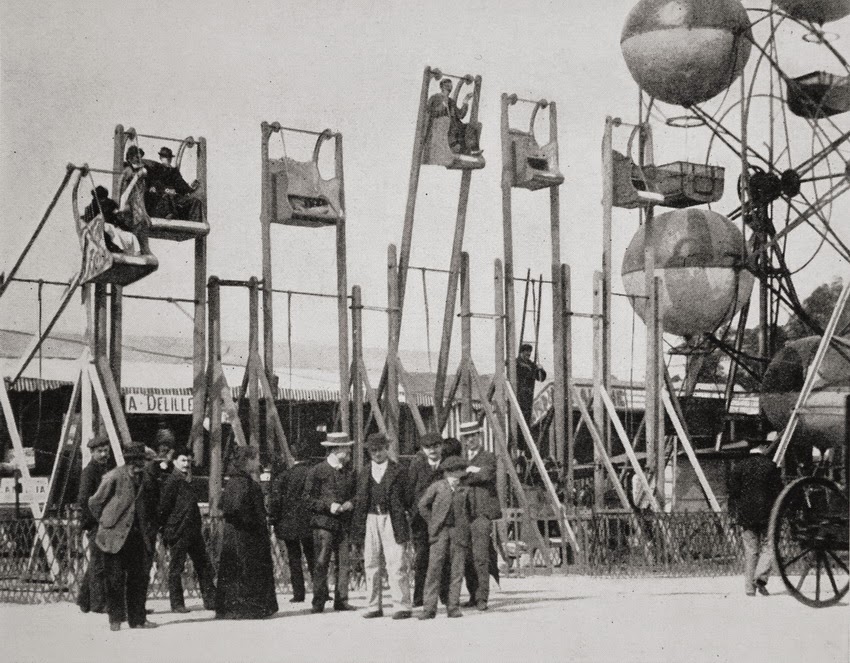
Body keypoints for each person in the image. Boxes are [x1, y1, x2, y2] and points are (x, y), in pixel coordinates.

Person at [88, 442, 158, 631]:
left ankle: (138, 620)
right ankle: (115, 619)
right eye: (134, 462)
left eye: (141, 462)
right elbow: (94, 502)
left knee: (139, 579)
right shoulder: (113, 477)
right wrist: (106, 522)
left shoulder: (146, 478)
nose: (138, 466)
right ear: (127, 462)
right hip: (114, 536)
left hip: (137, 537)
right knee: (114, 580)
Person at [352, 433, 412, 620]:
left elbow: (408, 498)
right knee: (371, 563)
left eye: (381, 449)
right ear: (369, 452)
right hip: (370, 519)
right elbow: (360, 499)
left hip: (392, 519)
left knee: (396, 563)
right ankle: (373, 606)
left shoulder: (399, 471)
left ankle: (402, 606)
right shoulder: (363, 472)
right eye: (373, 450)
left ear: (387, 449)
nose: (377, 453)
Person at [215, 446, 278, 619]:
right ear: (248, 460)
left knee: (234, 570)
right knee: (246, 571)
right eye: (256, 458)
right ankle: (247, 608)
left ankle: (231, 607)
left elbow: (226, 507)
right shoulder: (245, 483)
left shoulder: (234, 481)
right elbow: (239, 509)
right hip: (247, 537)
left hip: (236, 535)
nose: (258, 463)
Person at [304, 431, 357, 614]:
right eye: (346, 449)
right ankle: (318, 601)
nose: (349, 453)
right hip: (323, 525)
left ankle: (341, 600)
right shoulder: (317, 471)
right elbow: (307, 499)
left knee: (344, 563)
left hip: (343, 524)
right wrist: (328, 505)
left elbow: (356, 494)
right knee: (321, 563)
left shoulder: (349, 472)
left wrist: (352, 503)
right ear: (335, 450)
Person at [158, 448, 215, 613]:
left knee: (203, 565)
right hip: (179, 531)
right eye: (183, 460)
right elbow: (163, 508)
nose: (186, 464)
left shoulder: (186, 480)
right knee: (176, 567)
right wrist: (168, 528)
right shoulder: (172, 482)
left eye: (189, 461)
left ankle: (211, 600)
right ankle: (177, 604)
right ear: (175, 461)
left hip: (193, 531)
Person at [417, 456, 473, 619]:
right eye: (453, 473)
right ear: (447, 473)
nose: (457, 477)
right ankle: (429, 608)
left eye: (460, 473)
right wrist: (432, 521)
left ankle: (453, 606)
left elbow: (470, 510)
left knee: (457, 570)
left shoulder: (465, 489)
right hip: (440, 532)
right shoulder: (437, 487)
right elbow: (422, 505)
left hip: (458, 532)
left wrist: (465, 525)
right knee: (434, 569)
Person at [728, 437, 784, 597]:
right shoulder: (770, 466)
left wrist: (736, 510)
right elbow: (778, 491)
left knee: (751, 550)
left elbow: (733, 492)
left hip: (746, 515)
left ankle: (749, 589)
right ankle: (760, 577)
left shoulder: (739, 467)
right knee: (770, 545)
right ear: (763, 447)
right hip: (767, 514)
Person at [459, 420, 501, 611]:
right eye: (467, 437)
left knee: (481, 556)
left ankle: (483, 597)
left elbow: (486, 475)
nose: (471, 440)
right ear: (464, 440)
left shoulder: (489, 457)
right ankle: (473, 595)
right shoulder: (460, 459)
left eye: (474, 436)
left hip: (482, 513)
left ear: (479, 436)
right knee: (467, 557)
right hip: (464, 514)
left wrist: (468, 474)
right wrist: (471, 472)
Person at [269, 443, 315, 604]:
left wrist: (273, 519)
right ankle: (319, 590)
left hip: (288, 522)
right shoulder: (312, 473)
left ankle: (298, 593)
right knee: (313, 556)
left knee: (294, 557)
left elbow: (275, 500)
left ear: (293, 456)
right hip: (310, 521)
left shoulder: (285, 476)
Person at [76, 434, 114, 615]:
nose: (104, 454)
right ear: (92, 452)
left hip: (106, 523)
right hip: (96, 524)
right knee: (99, 564)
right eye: (100, 451)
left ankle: (84, 599)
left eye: (106, 451)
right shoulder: (89, 472)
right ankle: (99, 604)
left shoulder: (107, 470)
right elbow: (84, 500)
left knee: (97, 562)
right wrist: (96, 521)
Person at [406, 433, 445, 608]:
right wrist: (413, 512)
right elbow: (410, 491)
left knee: (444, 557)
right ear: (423, 449)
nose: (433, 450)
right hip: (421, 520)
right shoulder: (417, 466)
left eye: (436, 446)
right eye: (429, 447)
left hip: (443, 518)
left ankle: (445, 596)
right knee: (422, 557)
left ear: (441, 447)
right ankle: (419, 597)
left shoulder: (447, 466)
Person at [145, 146, 203, 222]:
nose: (168, 159)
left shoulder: (174, 172)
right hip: (160, 198)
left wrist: (190, 189)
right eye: (166, 157)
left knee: (195, 201)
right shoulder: (156, 169)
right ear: (161, 158)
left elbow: (181, 185)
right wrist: (164, 190)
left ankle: (195, 223)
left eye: (169, 157)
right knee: (168, 197)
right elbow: (153, 183)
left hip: (174, 197)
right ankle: (170, 217)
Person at [426, 78, 481, 156]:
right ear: (442, 87)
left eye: (450, 85)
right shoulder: (435, 98)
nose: (449, 86)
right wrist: (442, 108)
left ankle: (472, 150)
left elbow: (460, 115)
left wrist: (465, 101)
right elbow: (428, 111)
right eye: (447, 85)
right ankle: (455, 147)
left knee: (471, 127)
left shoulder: (451, 101)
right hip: (441, 126)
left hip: (454, 126)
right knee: (450, 126)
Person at [116, 145, 152, 254]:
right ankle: (137, 250)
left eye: (140, 157)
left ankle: (143, 249)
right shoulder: (128, 170)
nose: (139, 159)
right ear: (130, 158)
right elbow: (122, 189)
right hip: (128, 202)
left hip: (137, 202)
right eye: (136, 157)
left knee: (143, 221)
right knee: (135, 223)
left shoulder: (140, 170)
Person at [516, 343, 547, 431]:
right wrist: (534, 370)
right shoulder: (517, 363)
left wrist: (541, 370)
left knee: (526, 420)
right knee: (519, 421)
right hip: (518, 396)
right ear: (521, 353)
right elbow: (525, 374)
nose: (528, 356)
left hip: (528, 397)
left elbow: (541, 378)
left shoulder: (531, 364)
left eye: (529, 354)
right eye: (526, 354)